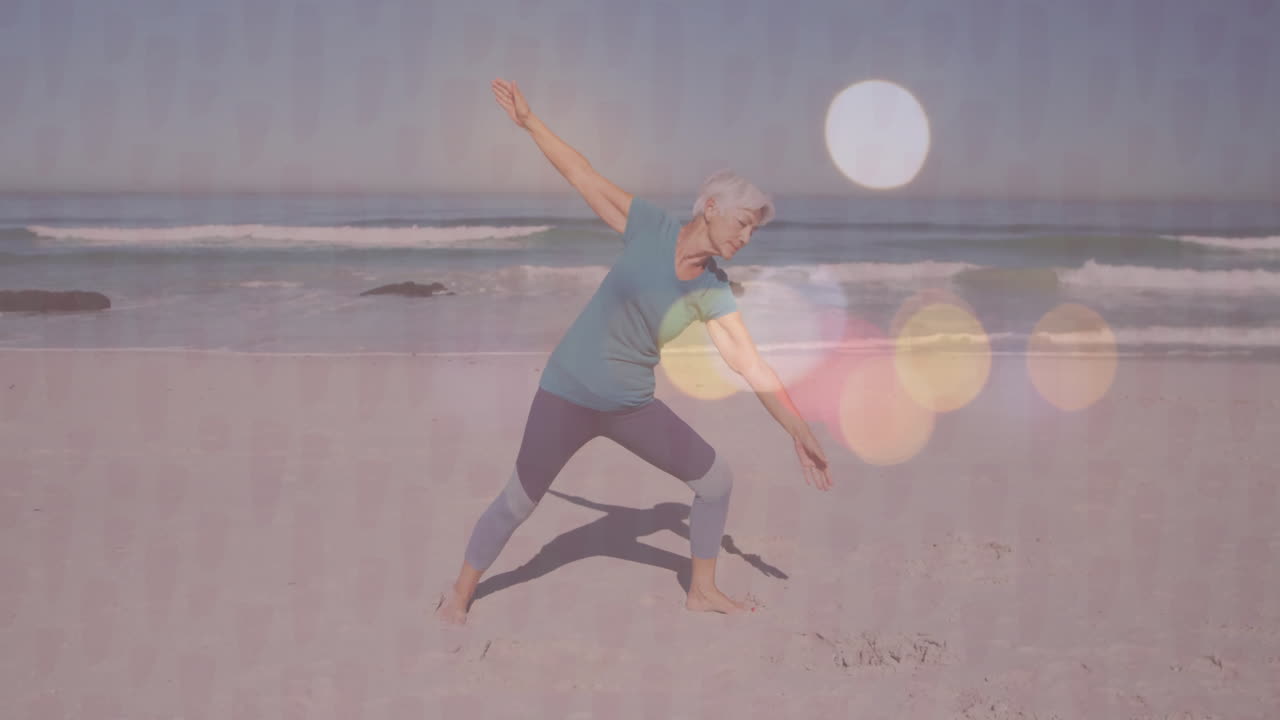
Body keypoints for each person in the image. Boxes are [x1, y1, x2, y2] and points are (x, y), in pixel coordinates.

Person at [435, 78, 833, 624]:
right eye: (742, 224)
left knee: (716, 481)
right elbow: (583, 175)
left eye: (752, 232)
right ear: (711, 208)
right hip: (566, 392)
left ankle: (702, 590)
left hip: (629, 405)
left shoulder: (713, 288)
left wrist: (798, 427)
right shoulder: (649, 227)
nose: (745, 238)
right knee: (518, 502)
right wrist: (530, 123)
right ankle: (459, 593)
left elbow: (749, 362)